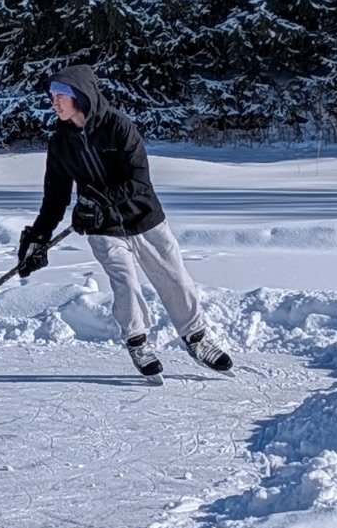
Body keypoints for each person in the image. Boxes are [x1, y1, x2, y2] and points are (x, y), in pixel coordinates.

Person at [16, 64, 233, 380]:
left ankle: (197, 338)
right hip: (102, 226)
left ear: (81, 95)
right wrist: (38, 236)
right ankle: (138, 341)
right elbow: (55, 197)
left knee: (175, 280)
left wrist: (98, 201)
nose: (54, 102)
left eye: (60, 95)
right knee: (125, 283)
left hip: (144, 217)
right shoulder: (60, 143)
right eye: (52, 96)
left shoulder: (118, 127)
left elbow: (138, 181)